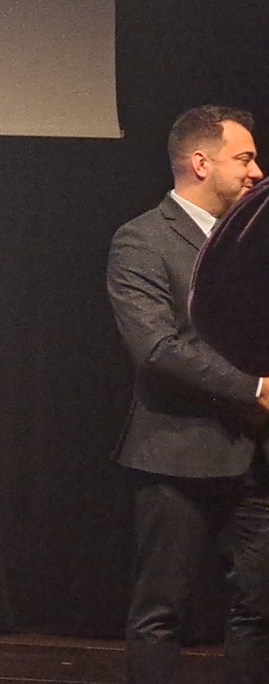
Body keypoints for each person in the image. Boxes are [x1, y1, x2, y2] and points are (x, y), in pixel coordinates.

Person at [109, 105, 269, 684]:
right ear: (201, 163)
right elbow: (156, 347)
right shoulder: (142, 239)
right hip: (176, 453)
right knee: (161, 611)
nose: (257, 172)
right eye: (245, 158)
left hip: (256, 454)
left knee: (259, 608)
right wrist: (255, 387)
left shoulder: (255, 240)